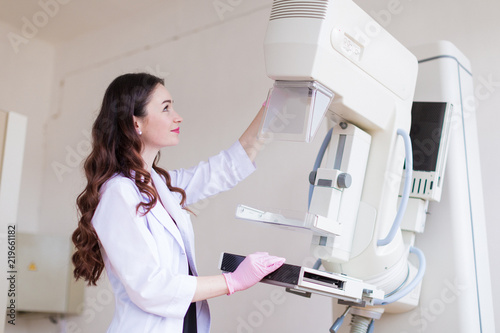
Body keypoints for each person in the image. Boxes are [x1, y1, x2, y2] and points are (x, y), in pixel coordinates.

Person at [71, 73, 285, 333]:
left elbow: (226, 168)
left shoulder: (159, 184)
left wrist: (271, 109)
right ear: (135, 122)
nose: (177, 116)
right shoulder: (119, 192)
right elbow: (151, 288)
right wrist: (232, 281)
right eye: (166, 108)